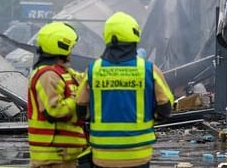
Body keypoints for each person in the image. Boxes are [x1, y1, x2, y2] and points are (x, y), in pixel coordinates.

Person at [76, 12, 173, 168]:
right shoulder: (148, 69)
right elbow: (165, 106)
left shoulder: (93, 70)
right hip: (138, 154)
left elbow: (80, 107)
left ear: (107, 36)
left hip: (103, 155)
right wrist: (150, 118)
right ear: (135, 35)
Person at [27, 22, 90, 168]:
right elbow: (55, 110)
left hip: (65, 155)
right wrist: (79, 98)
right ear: (62, 47)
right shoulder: (48, 75)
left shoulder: (63, 72)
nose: (71, 52)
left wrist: (99, 69)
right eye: (71, 48)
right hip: (53, 156)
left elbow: (83, 80)